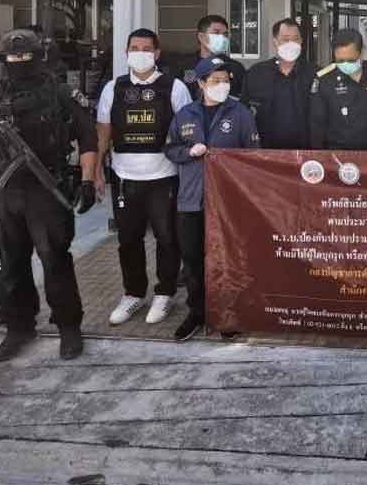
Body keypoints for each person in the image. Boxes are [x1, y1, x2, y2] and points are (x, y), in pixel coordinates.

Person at [0, 28, 99, 361]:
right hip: (6, 193)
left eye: (26, 58)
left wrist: (88, 181)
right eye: (13, 59)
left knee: (55, 262)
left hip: (47, 189)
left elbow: (87, 139)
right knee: (12, 265)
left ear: (39, 57)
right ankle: (18, 328)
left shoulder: (60, 93)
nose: (19, 63)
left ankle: (68, 328)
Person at [95, 28, 192, 327]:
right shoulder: (113, 88)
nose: (140, 52)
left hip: (164, 176)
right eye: (134, 47)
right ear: (126, 52)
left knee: (167, 238)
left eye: (146, 48)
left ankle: (164, 293)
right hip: (125, 176)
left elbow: (187, 132)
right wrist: (97, 170)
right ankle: (133, 293)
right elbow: (103, 133)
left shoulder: (174, 88)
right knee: (128, 240)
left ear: (157, 53)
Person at [166, 58, 259, 341]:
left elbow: (254, 154)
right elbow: (170, 148)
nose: (222, 85)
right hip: (191, 200)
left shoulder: (240, 113)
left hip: (227, 203)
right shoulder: (185, 114)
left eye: (226, 80)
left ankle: (227, 313)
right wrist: (188, 153)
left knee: (227, 260)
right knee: (193, 261)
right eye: (216, 80)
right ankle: (197, 312)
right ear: (202, 83)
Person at [309, 28, 367, 150]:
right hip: (337, 154)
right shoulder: (325, 80)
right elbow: (317, 125)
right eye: (340, 61)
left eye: (351, 60)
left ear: (361, 52)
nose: (345, 64)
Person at [244, 17, 315, 149]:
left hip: (307, 154)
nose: (291, 43)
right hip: (265, 153)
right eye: (286, 39)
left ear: (301, 41)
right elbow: (244, 113)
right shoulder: (256, 73)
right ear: (275, 41)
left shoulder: (315, 74)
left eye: (295, 39)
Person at [184, 14, 247, 101]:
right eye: (216, 32)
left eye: (225, 34)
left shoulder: (235, 67)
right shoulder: (187, 66)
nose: (222, 37)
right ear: (201, 37)